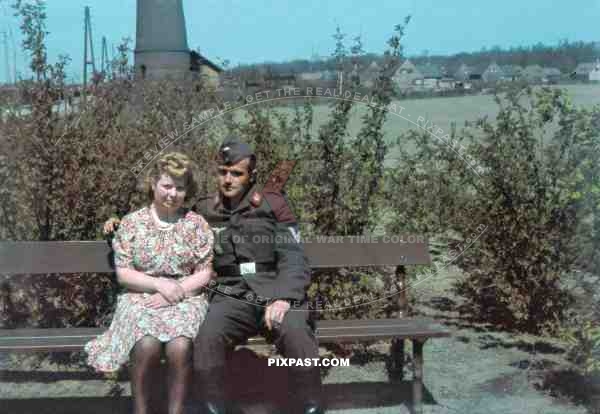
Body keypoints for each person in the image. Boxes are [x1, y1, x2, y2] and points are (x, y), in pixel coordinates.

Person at [192, 139, 323, 414]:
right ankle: (213, 407)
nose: (228, 180)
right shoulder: (205, 209)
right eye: (222, 171)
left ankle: (310, 404)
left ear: (251, 176)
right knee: (208, 335)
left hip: (274, 289)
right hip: (231, 294)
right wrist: (120, 224)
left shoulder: (272, 205)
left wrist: (284, 297)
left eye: (237, 173)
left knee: (296, 330)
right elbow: (167, 224)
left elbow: (293, 256)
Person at [87, 152, 214, 414]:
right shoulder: (133, 223)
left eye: (180, 188)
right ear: (154, 183)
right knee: (146, 344)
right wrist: (159, 285)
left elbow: (204, 273)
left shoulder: (196, 224)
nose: (172, 193)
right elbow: (123, 274)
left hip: (185, 297)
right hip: (140, 296)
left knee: (180, 345)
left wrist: (174, 290)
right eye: (167, 186)